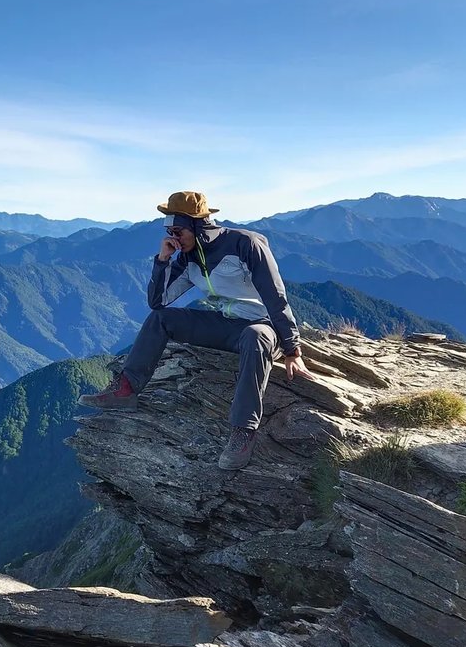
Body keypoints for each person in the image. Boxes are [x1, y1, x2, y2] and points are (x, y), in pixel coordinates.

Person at [79, 191, 316, 470]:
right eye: (169, 231)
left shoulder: (245, 245)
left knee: (255, 337)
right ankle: (126, 389)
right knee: (161, 319)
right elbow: (159, 302)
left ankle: (243, 430)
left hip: (262, 327)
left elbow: (276, 297)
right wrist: (163, 260)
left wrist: (292, 349)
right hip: (225, 325)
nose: (174, 238)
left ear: (197, 225)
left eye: (177, 230)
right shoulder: (187, 258)